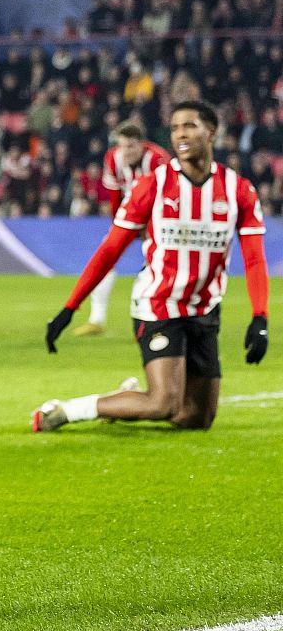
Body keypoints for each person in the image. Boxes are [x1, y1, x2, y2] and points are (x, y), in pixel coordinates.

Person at [36, 100, 268, 432]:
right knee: (163, 403)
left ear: (211, 132)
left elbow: (255, 259)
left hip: (204, 310)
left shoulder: (238, 191)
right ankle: (67, 410)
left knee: (196, 419)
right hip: (158, 305)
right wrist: (70, 306)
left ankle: (126, 398)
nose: (180, 134)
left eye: (189, 126)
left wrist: (260, 317)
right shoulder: (153, 186)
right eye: (174, 128)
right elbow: (111, 249)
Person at [72, 123, 169, 336]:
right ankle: (96, 320)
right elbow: (115, 194)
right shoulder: (112, 158)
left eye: (132, 147)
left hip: (159, 219)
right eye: (123, 146)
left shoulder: (158, 159)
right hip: (130, 216)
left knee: (160, 267)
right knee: (105, 259)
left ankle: (159, 320)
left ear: (142, 145)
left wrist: (150, 226)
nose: (127, 152)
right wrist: (119, 224)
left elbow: (167, 197)